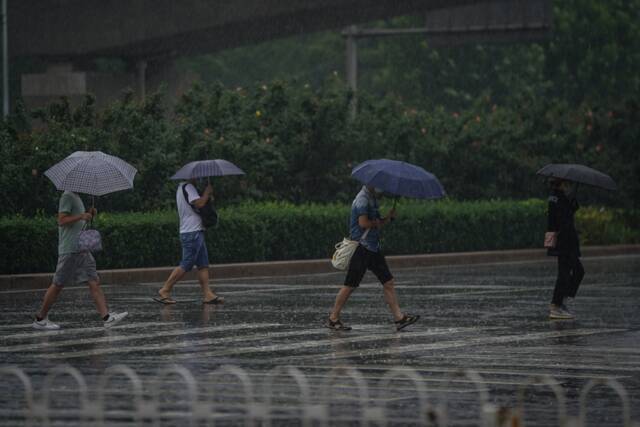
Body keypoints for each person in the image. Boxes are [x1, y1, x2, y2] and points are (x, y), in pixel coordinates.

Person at [325, 185, 420, 331]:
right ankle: (333, 318)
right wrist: (378, 222)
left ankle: (399, 318)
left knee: (388, 282)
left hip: (373, 248)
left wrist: (388, 218)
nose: (380, 188)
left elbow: (375, 224)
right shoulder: (362, 199)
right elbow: (363, 223)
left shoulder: (372, 198)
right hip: (361, 249)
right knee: (350, 285)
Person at [32, 191, 128, 330]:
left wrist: (89, 214)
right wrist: (81, 216)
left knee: (93, 281)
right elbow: (61, 220)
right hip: (70, 249)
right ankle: (40, 319)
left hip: (82, 248)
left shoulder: (76, 197)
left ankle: (107, 317)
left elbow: (76, 220)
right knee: (58, 284)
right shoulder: (68, 196)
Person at [154, 179, 224, 305]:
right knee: (187, 263)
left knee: (203, 264)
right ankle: (165, 289)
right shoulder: (188, 187)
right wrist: (207, 193)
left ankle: (207, 294)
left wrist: (206, 196)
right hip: (192, 232)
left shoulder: (182, 188)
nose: (198, 178)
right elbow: (199, 204)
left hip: (195, 231)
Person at [547, 178, 584, 319]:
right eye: (566, 183)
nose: (567, 186)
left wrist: (571, 206)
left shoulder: (556, 198)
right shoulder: (557, 198)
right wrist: (569, 207)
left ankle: (560, 302)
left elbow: (563, 217)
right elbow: (562, 221)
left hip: (565, 242)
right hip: (565, 242)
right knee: (566, 273)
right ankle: (556, 305)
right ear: (561, 184)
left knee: (574, 272)